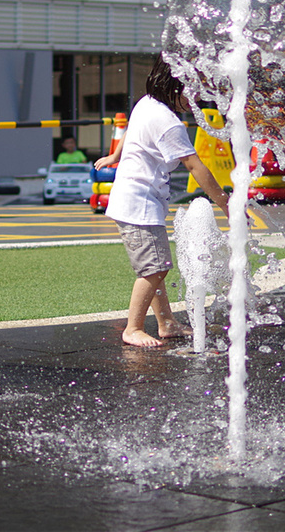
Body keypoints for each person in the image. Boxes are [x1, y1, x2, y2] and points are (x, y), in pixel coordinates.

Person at [95, 54, 230, 348]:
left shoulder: (147, 103)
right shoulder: (169, 123)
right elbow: (195, 166)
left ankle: (167, 322)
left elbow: (132, 129)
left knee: (156, 264)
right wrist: (225, 203)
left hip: (134, 200)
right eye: (189, 90)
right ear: (172, 87)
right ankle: (133, 328)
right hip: (138, 204)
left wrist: (116, 156)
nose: (193, 97)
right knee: (155, 269)